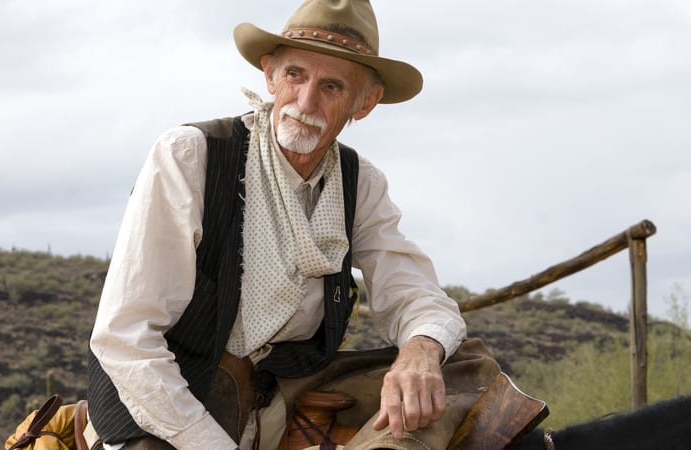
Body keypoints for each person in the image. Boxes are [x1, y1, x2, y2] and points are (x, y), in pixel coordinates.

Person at [85, 1, 507, 449]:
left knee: (462, 365)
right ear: (269, 75)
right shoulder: (191, 156)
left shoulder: (358, 182)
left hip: (281, 388)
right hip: (177, 396)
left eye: (331, 86)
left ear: (365, 102)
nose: (306, 103)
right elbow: (124, 337)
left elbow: (414, 293)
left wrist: (420, 352)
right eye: (295, 76)